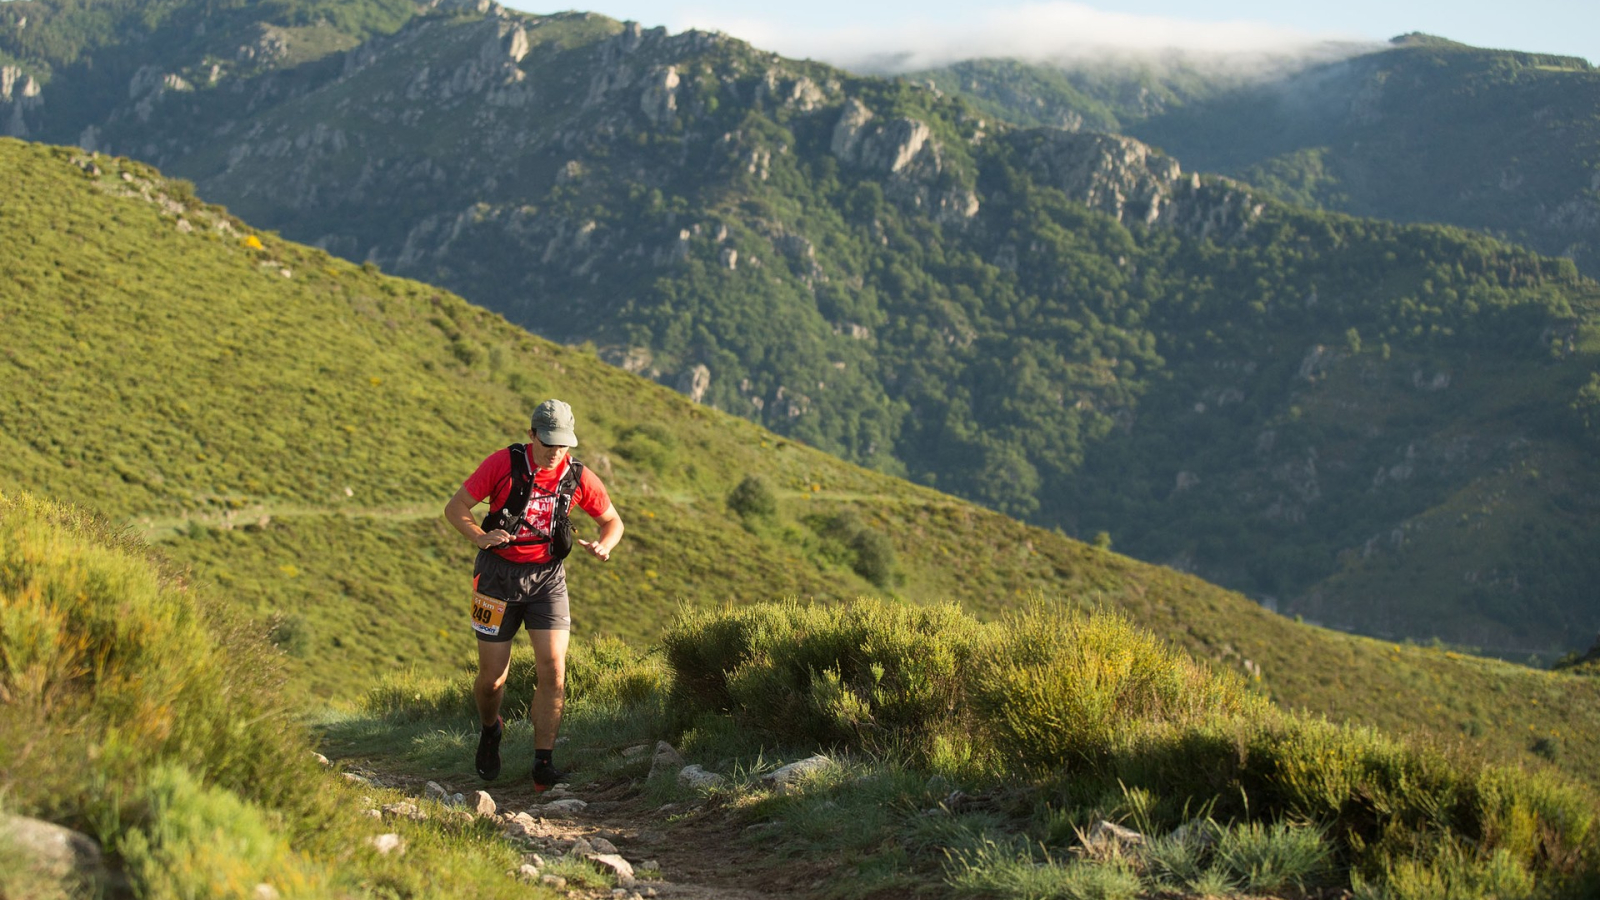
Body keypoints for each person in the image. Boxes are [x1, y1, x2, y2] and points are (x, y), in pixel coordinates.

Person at [443, 399, 624, 789]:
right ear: (531, 435)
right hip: (496, 579)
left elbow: (612, 521)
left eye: (562, 444)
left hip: (547, 580)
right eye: (547, 443)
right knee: (493, 679)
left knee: (554, 670)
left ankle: (543, 764)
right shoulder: (502, 464)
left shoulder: (578, 477)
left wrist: (606, 545)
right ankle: (491, 730)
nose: (555, 451)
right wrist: (480, 536)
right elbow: (455, 507)